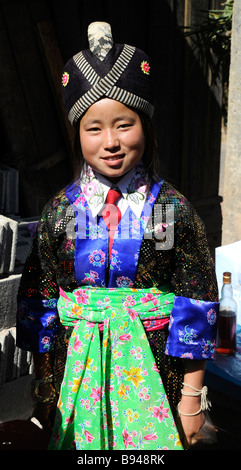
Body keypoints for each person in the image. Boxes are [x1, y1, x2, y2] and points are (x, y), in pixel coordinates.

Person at [16, 22, 219, 450]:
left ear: (144, 126)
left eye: (124, 125)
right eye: (94, 128)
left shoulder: (169, 210)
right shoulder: (62, 212)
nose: (110, 141)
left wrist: (191, 400)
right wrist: (44, 388)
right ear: (78, 135)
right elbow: (40, 299)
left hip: (158, 374)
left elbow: (196, 301)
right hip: (75, 371)